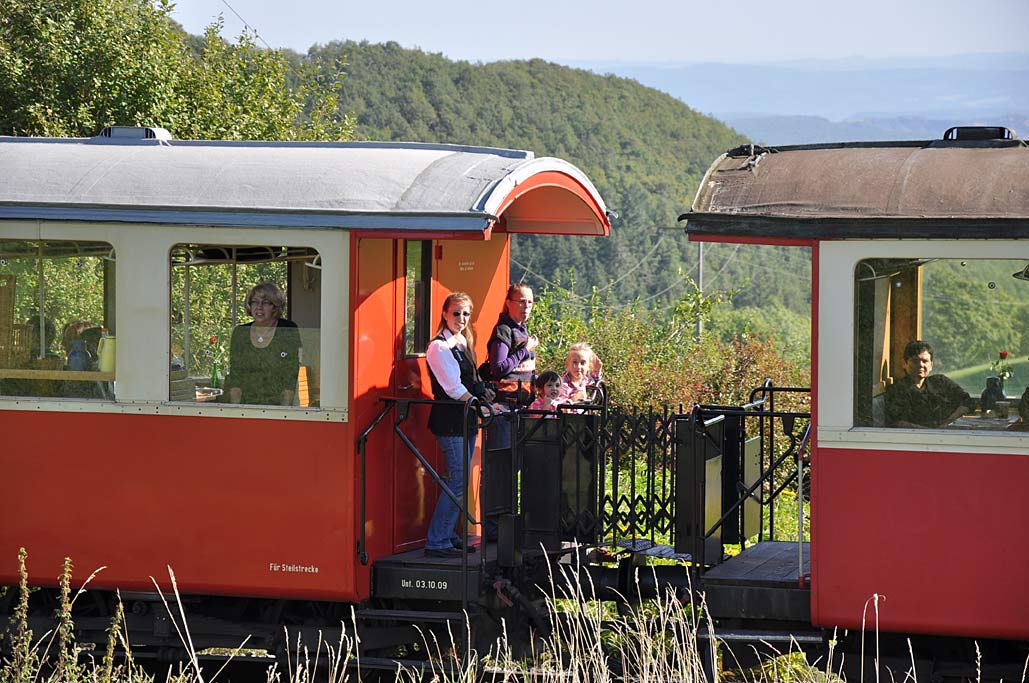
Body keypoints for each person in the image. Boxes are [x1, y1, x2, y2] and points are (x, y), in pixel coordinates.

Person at [425, 292, 494, 558]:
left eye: (466, 314)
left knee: (459, 479)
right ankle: (437, 540)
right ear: (444, 314)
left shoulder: (462, 342)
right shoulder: (439, 347)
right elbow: (453, 387)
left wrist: (483, 397)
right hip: (450, 420)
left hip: (465, 418)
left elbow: (469, 381)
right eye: (456, 313)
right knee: (457, 479)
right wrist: (479, 405)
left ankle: (447, 534)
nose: (461, 318)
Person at [483, 283, 538, 540]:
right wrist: (526, 350)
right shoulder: (504, 330)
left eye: (530, 302)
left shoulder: (522, 329)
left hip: (520, 410)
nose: (526, 306)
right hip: (504, 410)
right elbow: (499, 368)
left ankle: (506, 526)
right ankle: (494, 529)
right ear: (509, 303)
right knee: (500, 469)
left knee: (512, 468)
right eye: (521, 301)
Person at [224, 282, 301, 406]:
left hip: (279, 406)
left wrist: (284, 411)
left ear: (275, 307)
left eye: (265, 302)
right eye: (254, 302)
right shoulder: (241, 332)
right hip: (246, 406)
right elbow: (236, 376)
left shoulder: (287, 329)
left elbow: (290, 375)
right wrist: (236, 409)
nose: (259, 307)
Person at [885, 340, 972, 428]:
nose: (920, 365)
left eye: (925, 361)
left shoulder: (941, 383)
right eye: (915, 361)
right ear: (904, 363)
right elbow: (896, 422)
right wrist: (931, 431)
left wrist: (948, 423)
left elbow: (967, 402)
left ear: (931, 365)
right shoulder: (897, 391)